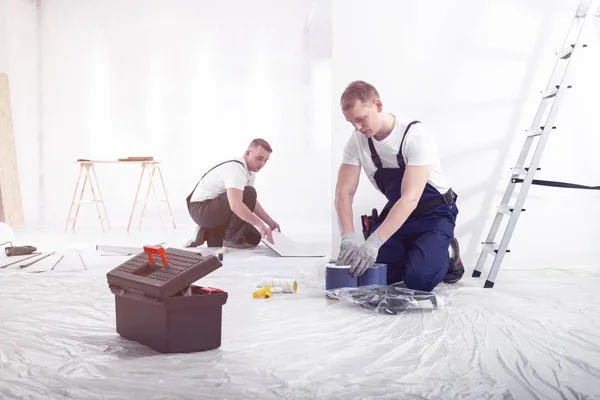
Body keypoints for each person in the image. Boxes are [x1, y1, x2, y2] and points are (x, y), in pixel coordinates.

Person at [334, 81, 464, 292]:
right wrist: (348, 238)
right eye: (351, 122)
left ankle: (448, 255)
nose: (357, 127)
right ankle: (415, 253)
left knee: (419, 280)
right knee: (371, 274)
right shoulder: (357, 141)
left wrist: (375, 242)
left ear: (377, 105)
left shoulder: (415, 136)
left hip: (434, 214)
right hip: (399, 215)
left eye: (360, 119)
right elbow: (343, 192)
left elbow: (410, 198)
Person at [185, 138, 280, 249]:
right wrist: (260, 224)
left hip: (215, 207)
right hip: (201, 209)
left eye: (266, 160)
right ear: (248, 153)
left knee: (254, 238)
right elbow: (236, 205)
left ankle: (209, 231)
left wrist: (270, 222)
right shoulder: (236, 169)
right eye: (259, 158)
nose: (262, 164)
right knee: (249, 192)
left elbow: (250, 201)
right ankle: (228, 237)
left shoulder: (250, 171)